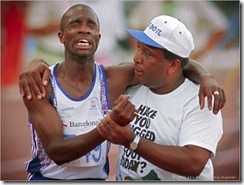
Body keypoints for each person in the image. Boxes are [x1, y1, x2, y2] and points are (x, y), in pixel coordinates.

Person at [19, 4, 225, 180]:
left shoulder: (118, 79)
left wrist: (206, 76)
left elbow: (178, 64)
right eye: (75, 24)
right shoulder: (42, 83)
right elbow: (56, 151)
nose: (137, 58)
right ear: (61, 36)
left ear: (99, 38)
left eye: (91, 25)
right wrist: (35, 63)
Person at [96, 15, 223, 181]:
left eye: (147, 53)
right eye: (139, 48)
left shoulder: (199, 100)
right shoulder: (132, 85)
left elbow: (194, 163)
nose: (136, 58)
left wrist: (132, 141)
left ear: (173, 66)